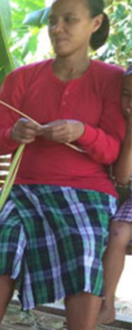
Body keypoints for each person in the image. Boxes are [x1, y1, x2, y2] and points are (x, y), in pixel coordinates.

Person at [0, 0, 125, 328]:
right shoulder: (21, 79)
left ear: (95, 23)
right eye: (53, 21)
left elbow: (114, 151)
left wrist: (82, 132)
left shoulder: (113, 81)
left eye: (69, 20)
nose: (57, 29)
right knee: (4, 241)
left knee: (84, 243)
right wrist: (15, 132)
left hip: (88, 190)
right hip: (25, 188)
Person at [99, 64, 132, 324]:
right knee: (118, 231)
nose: (130, 102)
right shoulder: (116, 122)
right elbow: (122, 176)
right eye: (127, 94)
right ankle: (106, 304)